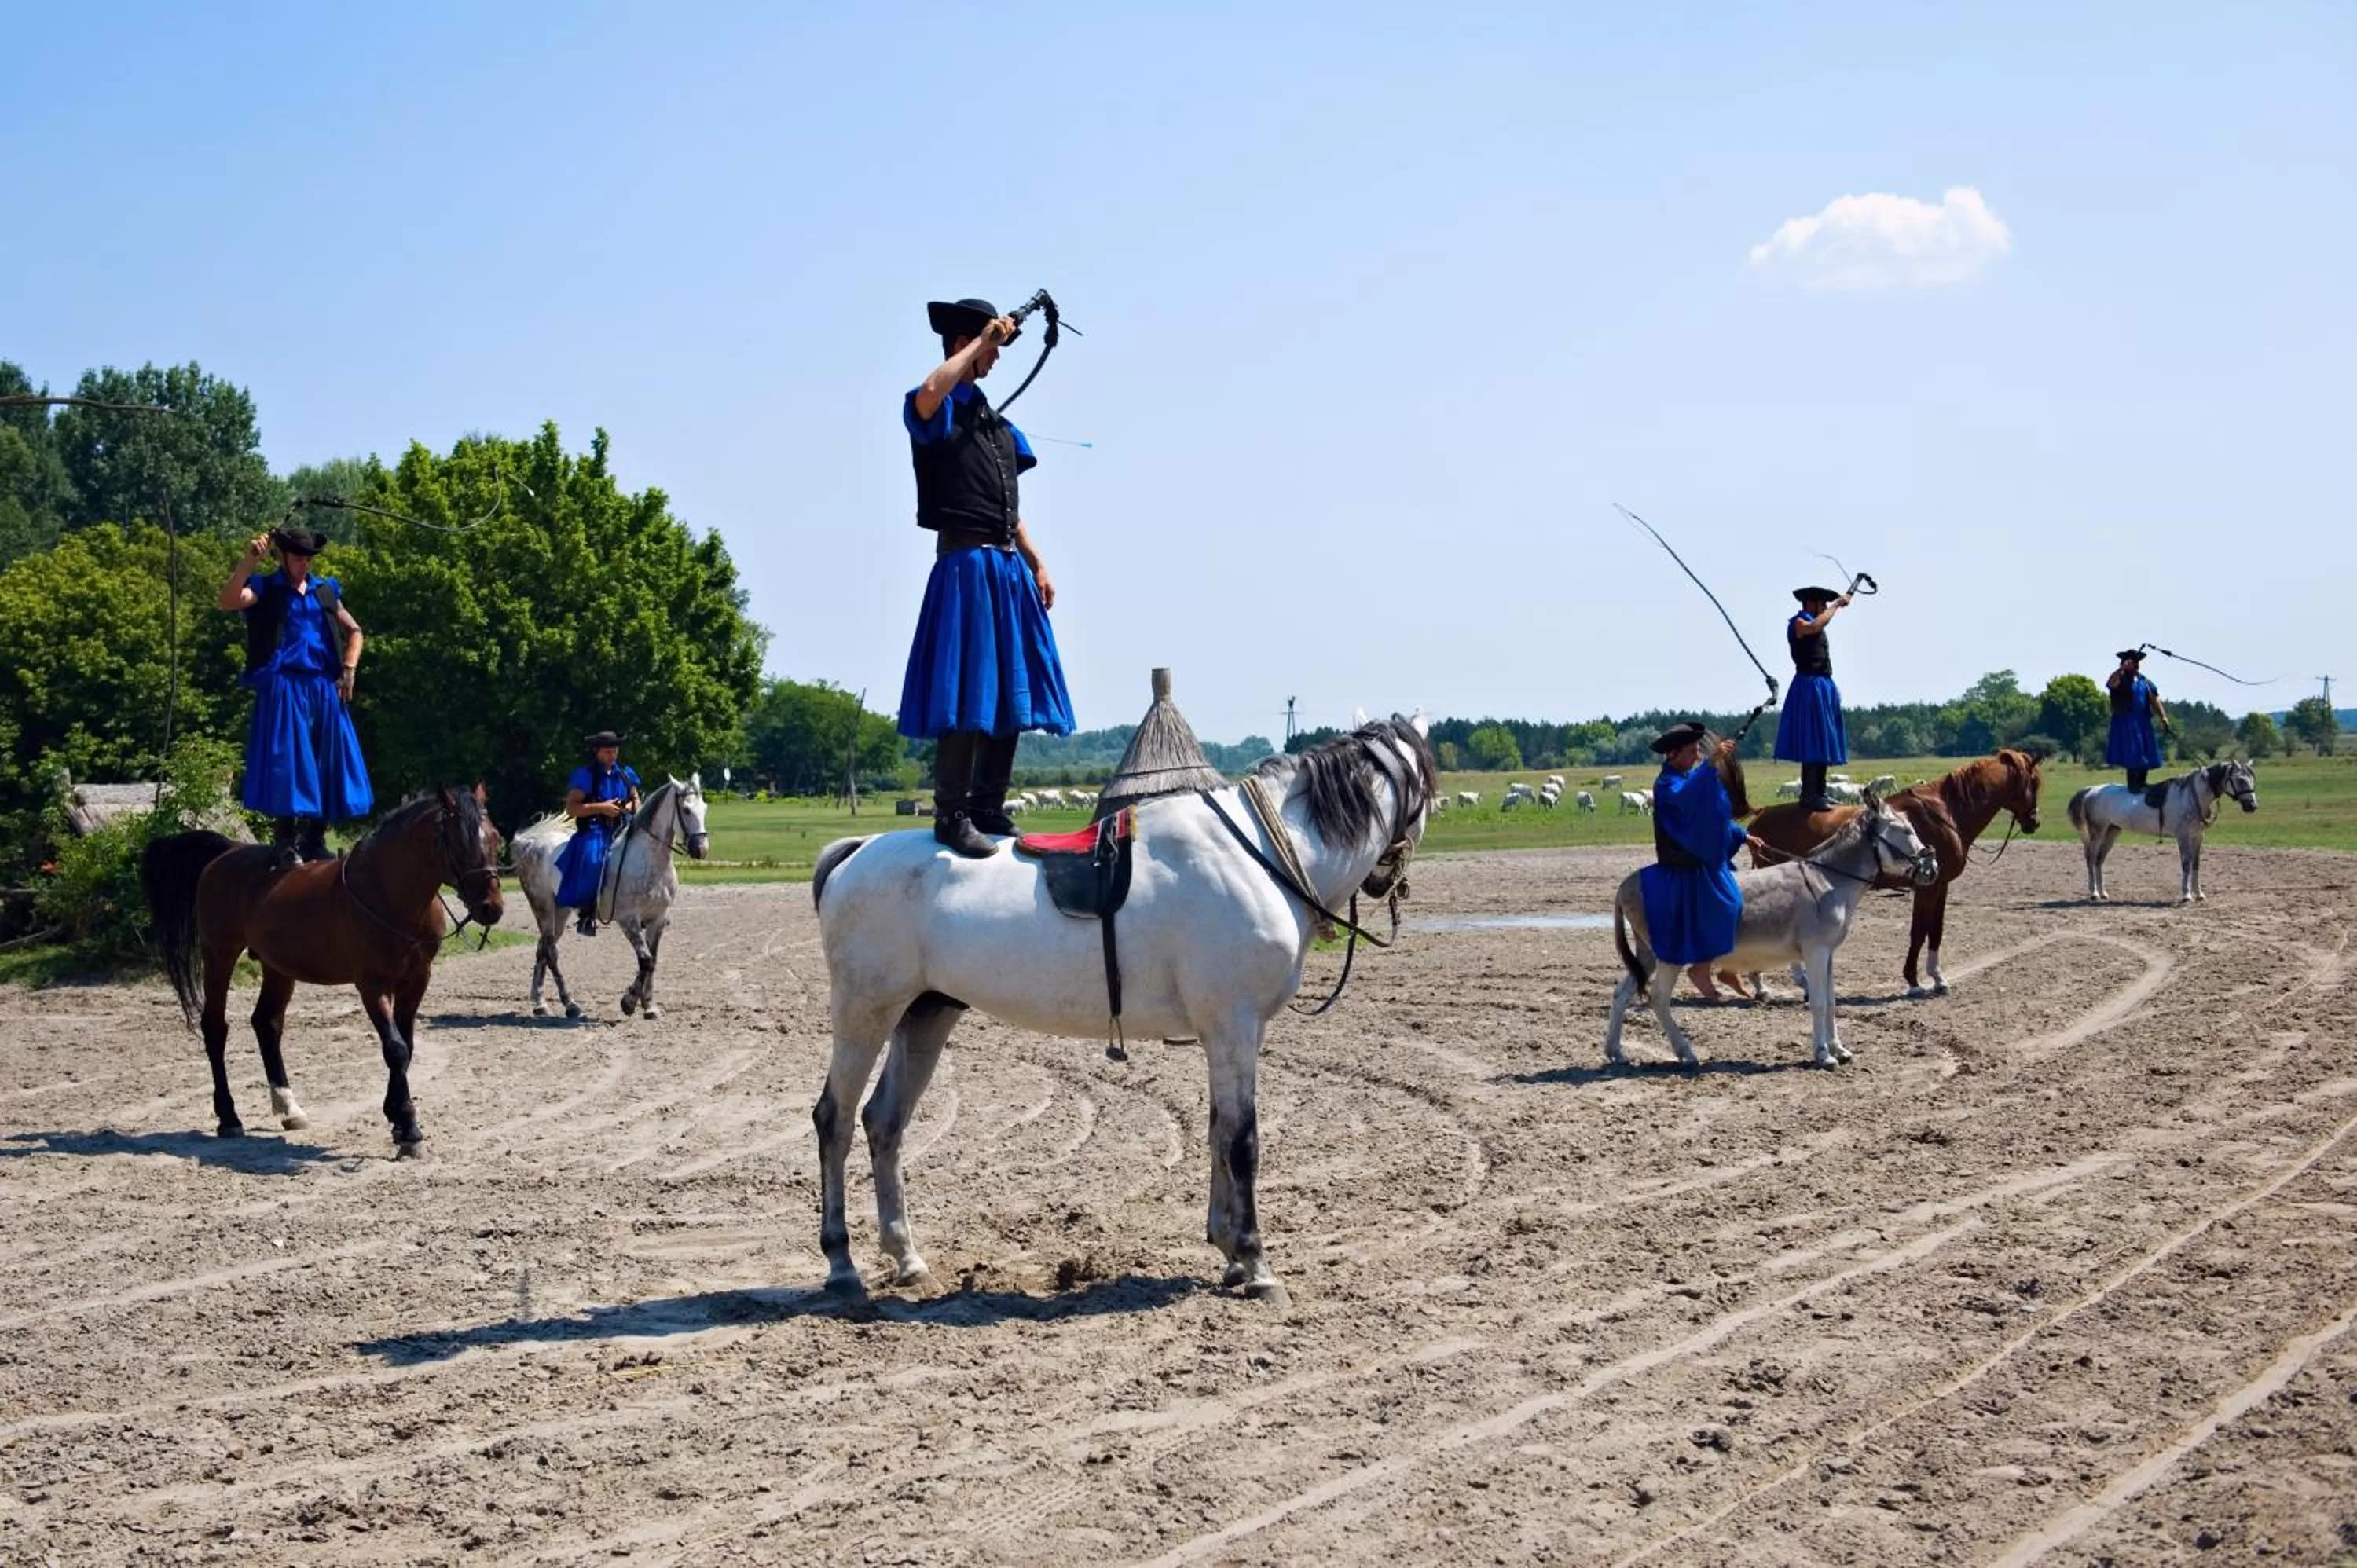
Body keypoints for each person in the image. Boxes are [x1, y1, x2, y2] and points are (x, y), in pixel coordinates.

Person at [896, 295, 1076, 858]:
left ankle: (987, 805)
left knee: (1011, 693)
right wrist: (982, 341)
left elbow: (1008, 507)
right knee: (967, 688)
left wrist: (1036, 560)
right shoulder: (936, 406)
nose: (996, 359)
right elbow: (929, 394)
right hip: (966, 565)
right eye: (987, 349)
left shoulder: (996, 426)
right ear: (962, 345)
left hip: (1004, 566)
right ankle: (950, 813)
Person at [216, 526, 373, 868]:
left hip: (323, 686)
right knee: (290, 763)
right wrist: (247, 563)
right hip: (285, 686)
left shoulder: (325, 590)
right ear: (283, 556)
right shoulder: (267, 587)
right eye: (298, 557)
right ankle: (285, 841)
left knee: (327, 762)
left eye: (308, 558)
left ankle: (314, 838)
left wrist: (349, 667)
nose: (304, 563)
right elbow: (227, 601)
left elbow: (355, 631)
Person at [1640, 723, 1761, 1002]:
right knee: (1728, 906)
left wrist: (1743, 836)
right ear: (1673, 753)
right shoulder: (1667, 784)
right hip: (1685, 864)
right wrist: (1711, 764)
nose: (1697, 756)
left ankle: (1723, 968)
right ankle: (1702, 970)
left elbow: (1711, 819)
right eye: (1692, 751)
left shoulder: (1689, 779)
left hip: (1703, 862)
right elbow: (1687, 802)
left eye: (1699, 751)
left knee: (1734, 905)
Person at [1776, 584, 1853, 810]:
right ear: (1811, 603)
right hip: (1808, 684)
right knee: (1814, 738)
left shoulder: (1816, 622)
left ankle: (1820, 790)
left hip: (1822, 683)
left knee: (1824, 739)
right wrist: (1838, 604)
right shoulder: (1799, 623)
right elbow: (1814, 626)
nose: (1825, 608)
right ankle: (1809, 793)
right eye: (1823, 604)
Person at [556, 731, 640, 936]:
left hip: (622, 826)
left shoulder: (626, 774)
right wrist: (601, 808)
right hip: (595, 828)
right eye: (607, 751)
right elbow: (572, 808)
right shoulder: (586, 775)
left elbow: (636, 799)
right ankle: (587, 912)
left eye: (615, 751)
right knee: (593, 859)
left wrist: (627, 806)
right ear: (598, 752)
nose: (612, 755)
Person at [2105, 648, 2172, 793]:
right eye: (2131, 663)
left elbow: (2155, 699)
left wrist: (2163, 717)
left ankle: (2142, 782)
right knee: (2133, 753)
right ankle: (2133, 784)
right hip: (2126, 721)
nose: (2134, 666)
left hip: (2143, 721)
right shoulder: (2120, 679)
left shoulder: (2144, 681)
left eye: (2136, 663)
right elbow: (2110, 684)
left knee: (2145, 753)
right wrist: (2120, 670)